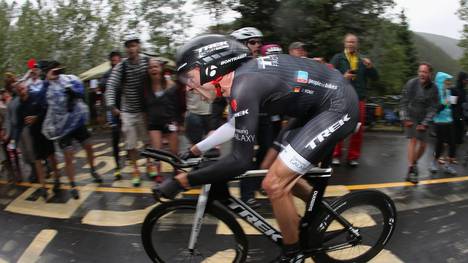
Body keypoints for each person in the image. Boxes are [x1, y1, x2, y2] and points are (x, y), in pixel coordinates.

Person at [156, 34, 359, 262]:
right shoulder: (237, 83)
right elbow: (234, 126)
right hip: (313, 108)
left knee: (273, 183)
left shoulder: (245, 85)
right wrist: (195, 150)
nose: (188, 88)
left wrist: (182, 182)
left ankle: (293, 254)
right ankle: (316, 211)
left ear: (211, 69)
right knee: (278, 172)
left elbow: (239, 160)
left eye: (189, 78)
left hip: (338, 106)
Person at [41, 61, 102, 199]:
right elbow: (41, 99)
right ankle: (73, 184)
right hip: (62, 127)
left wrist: (72, 92)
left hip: (77, 122)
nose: (55, 72)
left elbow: (81, 93)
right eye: (52, 70)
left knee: (89, 146)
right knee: (69, 156)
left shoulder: (70, 79)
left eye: (57, 69)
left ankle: (93, 169)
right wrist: (47, 80)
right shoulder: (45, 85)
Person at [105, 33, 151, 187]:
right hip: (128, 111)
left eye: (133, 45)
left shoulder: (147, 61)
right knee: (130, 144)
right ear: (125, 49)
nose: (131, 49)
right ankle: (136, 170)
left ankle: (150, 164)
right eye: (128, 46)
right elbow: (111, 85)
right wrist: (111, 105)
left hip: (144, 109)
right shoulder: (121, 66)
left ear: (138, 46)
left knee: (146, 141)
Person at [330, 33, 378, 167]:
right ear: (344, 43)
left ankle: (353, 156)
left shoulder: (363, 60)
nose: (351, 44)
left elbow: (375, 77)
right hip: (342, 96)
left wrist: (370, 67)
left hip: (359, 98)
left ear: (357, 44)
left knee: (358, 128)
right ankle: (336, 154)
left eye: (353, 42)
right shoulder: (338, 58)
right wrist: (343, 77)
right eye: (348, 42)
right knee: (338, 126)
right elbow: (329, 75)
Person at [12, 79, 60, 199]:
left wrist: (36, 118)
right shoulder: (19, 107)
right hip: (34, 135)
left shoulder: (36, 97)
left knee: (51, 156)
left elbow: (45, 110)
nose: (21, 90)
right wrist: (14, 140)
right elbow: (18, 125)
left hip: (45, 131)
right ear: (17, 92)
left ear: (26, 87)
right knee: (37, 160)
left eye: (22, 87)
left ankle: (57, 178)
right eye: (19, 89)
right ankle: (43, 187)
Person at [400, 62, 439, 184]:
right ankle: (412, 169)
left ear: (430, 74)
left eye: (425, 72)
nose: (422, 74)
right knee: (413, 140)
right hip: (411, 116)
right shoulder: (412, 83)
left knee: (423, 145)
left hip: (425, 117)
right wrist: (405, 118)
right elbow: (403, 102)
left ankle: (413, 163)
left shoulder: (434, 88)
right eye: (420, 71)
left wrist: (425, 122)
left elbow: (434, 107)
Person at [145, 58, 180, 182]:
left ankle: (176, 169)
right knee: (157, 151)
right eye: (151, 67)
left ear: (161, 69)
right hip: (154, 123)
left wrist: (178, 122)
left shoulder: (171, 85)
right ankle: (158, 173)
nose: (153, 69)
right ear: (148, 71)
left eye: (156, 66)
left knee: (174, 150)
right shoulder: (146, 87)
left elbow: (177, 104)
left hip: (170, 121)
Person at [100, 51, 123, 180]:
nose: (115, 64)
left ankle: (136, 161)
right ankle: (117, 167)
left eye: (117, 61)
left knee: (133, 139)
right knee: (115, 138)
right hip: (114, 111)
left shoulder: (125, 72)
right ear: (111, 62)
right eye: (113, 61)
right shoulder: (108, 74)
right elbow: (101, 85)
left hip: (127, 110)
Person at [430, 72, 457, 174]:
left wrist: (453, 103)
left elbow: (452, 106)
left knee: (452, 144)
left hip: (449, 121)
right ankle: (433, 164)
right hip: (439, 122)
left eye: (449, 81)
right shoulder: (436, 94)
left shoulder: (449, 92)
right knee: (439, 144)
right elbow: (435, 110)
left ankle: (447, 166)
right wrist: (443, 103)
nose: (449, 83)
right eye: (447, 81)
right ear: (442, 81)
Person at [450, 72, 467, 145]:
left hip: (461, 116)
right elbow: (452, 104)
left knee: (458, 139)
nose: (467, 82)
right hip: (454, 117)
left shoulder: (464, 90)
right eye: (465, 80)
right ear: (461, 79)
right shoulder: (454, 90)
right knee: (451, 138)